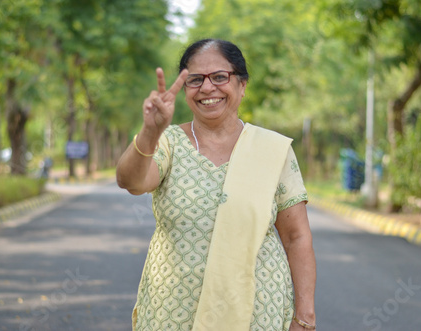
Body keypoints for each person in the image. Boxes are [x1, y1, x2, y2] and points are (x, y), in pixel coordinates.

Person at [116, 38, 316, 331]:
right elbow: (130, 182)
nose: (207, 88)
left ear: (242, 85)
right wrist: (150, 131)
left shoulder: (271, 149)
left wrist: (305, 317)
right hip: (175, 310)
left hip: (257, 314)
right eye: (195, 80)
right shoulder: (168, 142)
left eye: (220, 77)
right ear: (185, 90)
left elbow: (296, 236)